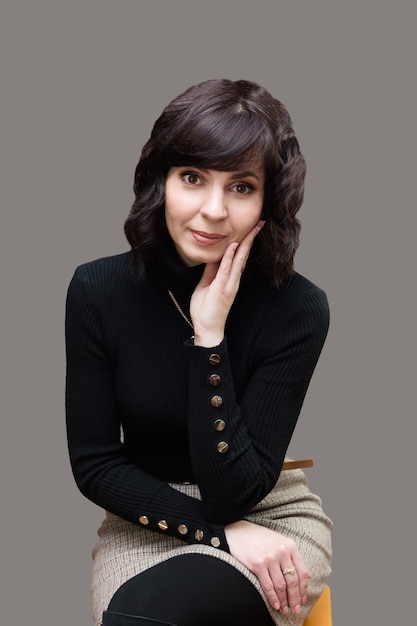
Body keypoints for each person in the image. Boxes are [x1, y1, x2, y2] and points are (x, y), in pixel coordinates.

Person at [65, 78, 333, 626]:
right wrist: (221, 536)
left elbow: (235, 491)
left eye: (240, 186)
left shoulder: (298, 308)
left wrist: (208, 339)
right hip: (143, 516)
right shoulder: (98, 290)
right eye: (192, 178)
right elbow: (95, 464)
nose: (212, 210)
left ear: (268, 200)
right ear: (159, 182)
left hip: (269, 514)